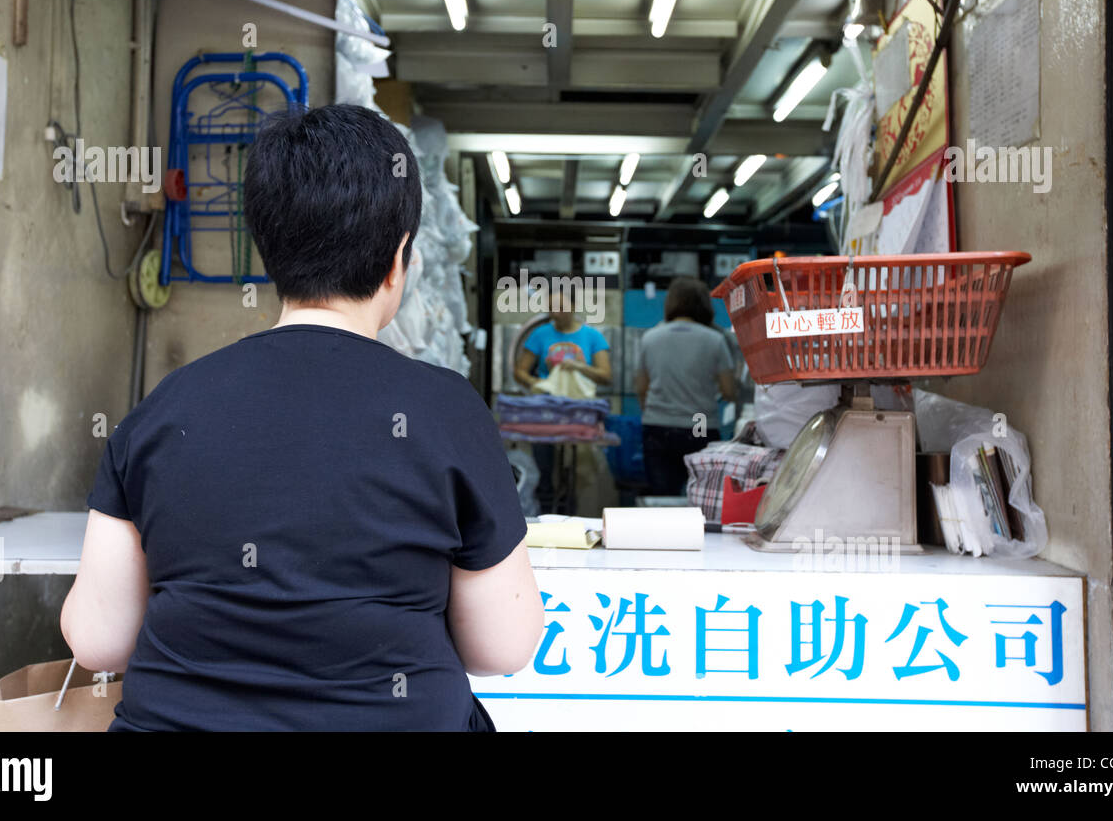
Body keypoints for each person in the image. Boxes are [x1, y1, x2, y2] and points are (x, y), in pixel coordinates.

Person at [61, 104, 542, 731]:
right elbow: (503, 648)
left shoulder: (163, 409)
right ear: (400, 260)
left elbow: (97, 641)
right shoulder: (448, 412)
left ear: (269, 250)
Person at [634, 276, 738, 496]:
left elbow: (641, 388)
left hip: (658, 424)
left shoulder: (650, 338)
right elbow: (729, 392)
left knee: (662, 499)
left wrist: (658, 413)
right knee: (700, 496)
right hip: (698, 424)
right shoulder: (714, 340)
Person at [512, 280, 611, 508]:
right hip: (547, 410)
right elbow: (520, 371)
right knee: (545, 468)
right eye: (551, 308)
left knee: (577, 471)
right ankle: (546, 508)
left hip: (579, 412)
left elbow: (606, 375)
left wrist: (579, 368)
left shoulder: (592, 337)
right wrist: (539, 383)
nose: (555, 313)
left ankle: (574, 512)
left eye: (561, 308)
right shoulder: (540, 334)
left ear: (574, 306)